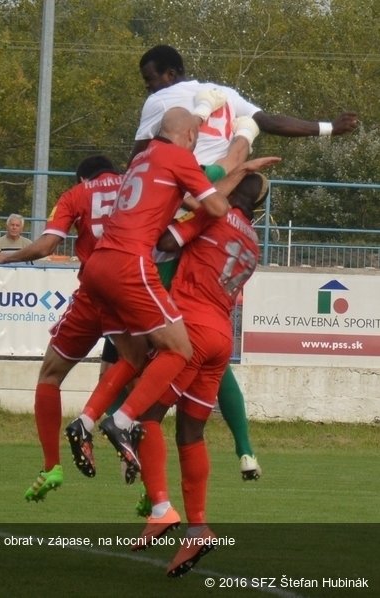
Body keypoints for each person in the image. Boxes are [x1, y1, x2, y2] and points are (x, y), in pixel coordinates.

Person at [126, 44, 359, 480]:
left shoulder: (161, 102)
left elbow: (141, 158)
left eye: (151, 77)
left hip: (186, 205)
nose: (149, 86)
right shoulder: (247, 236)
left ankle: (120, 424)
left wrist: (129, 210)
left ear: (169, 73)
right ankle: (245, 450)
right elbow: (269, 121)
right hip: (217, 275)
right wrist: (328, 127)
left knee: (137, 340)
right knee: (207, 367)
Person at [68, 108, 278, 480]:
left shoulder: (140, 162)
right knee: (177, 407)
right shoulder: (252, 242)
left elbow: (194, 206)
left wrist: (219, 129)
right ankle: (230, 456)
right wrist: (243, 145)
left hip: (111, 269)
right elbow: (212, 192)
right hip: (179, 303)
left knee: (124, 362)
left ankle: (91, 422)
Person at [132, 173, 268, 577]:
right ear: (257, 209)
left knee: (145, 417)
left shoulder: (215, 215)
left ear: (227, 193)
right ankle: (198, 526)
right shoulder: (254, 243)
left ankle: (160, 507)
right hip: (222, 338)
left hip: (188, 330)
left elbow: (168, 242)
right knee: (190, 433)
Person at [0, 155, 124, 501]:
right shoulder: (137, 187)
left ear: (83, 176)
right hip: (133, 293)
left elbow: (44, 246)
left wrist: (6, 257)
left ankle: (52, 466)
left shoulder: (76, 194)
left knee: (50, 376)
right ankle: (148, 483)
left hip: (93, 293)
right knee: (131, 376)